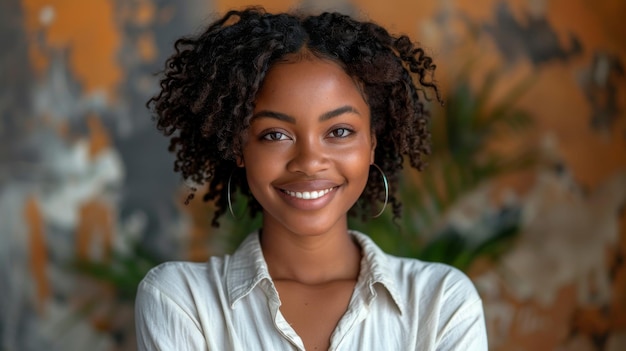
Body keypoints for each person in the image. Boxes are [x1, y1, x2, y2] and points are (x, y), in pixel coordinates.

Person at [135, 6, 488, 351]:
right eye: (275, 134)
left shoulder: (441, 302)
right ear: (239, 147)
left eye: (339, 131)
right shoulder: (182, 301)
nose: (309, 162)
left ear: (372, 143)